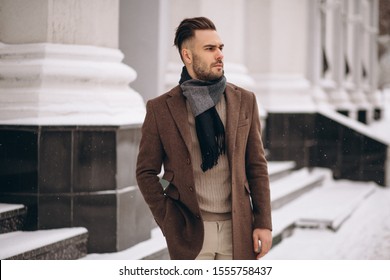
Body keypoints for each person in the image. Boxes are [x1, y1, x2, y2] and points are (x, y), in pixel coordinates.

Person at [136, 16, 272, 260]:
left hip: (237, 229)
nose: (219, 54)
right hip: (190, 233)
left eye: (220, 48)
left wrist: (263, 222)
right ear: (187, 55)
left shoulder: (244, 101)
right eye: (209, 49)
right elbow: (146, 172)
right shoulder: (161, 109)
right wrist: (168, 220)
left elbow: (256, 166)